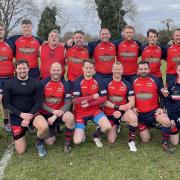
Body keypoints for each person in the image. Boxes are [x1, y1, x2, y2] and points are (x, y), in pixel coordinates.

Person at [3, 59, 49, 157]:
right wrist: (21, 114)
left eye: (24, 68)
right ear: (15, 69)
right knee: (21, 151)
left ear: (28, 69)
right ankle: (24, 129)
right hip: (16, 115)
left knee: (44, 127)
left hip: (32, 113)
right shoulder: (8, 83)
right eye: (19, 68)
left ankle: (39, 143)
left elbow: (39, 102)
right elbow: (6, 103)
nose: (22, 70)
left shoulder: (36, 83)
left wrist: (29, 116)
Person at [131, 61, 174, 154]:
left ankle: (165, 142)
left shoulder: (155, 79)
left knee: (167, 122)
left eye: (145, 69)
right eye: (141, 69)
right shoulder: (133, 80)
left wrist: (161, 107)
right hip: (140, 115)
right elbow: (128, 96)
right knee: (145, 140)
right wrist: (132, 108)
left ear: (149, 70)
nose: (143, 71)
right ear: (137, 70)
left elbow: (162, 95)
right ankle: (143, 125)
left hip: (153, 112)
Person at [72, 59, 112, 147]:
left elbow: (104, 98)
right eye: (86, 67)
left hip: (95, 111)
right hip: (81, 113)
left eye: (91, 68)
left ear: (94, 69)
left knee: (108, 127)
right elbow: (77, 101)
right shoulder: (77, 82)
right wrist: (93, 97)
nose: (88, 70)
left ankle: (95, 135)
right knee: (77, 141)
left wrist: (89, 103)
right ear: (82, 68)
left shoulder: (99, 80)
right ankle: (82, 132)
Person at [103, 62, 138, 152]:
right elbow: (103, 101)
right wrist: (117, 108)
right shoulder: (106, 83)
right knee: (111, 140)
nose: (117, 71)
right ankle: (116, 124)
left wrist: (121, 110)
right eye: (115, 69)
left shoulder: (127, 84)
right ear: (112, 70)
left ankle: (131, 142)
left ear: (122, 71)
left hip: (123, 110)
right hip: (110, 111)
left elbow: (131, 102)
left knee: (133, 118)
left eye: (119, 69)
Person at [40, 62, 74, 154]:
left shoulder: (66, 84)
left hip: (59, 113)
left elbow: (67, 104)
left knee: (70, 117)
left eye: (58, 70)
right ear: (50, 71)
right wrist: (53, 111)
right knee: (50, 142)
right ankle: (54, 127)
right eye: (54, 70)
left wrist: (55, 115)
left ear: (62, 71)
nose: (56, 72)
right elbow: (40, 103)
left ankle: (67, 143)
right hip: (47, 114)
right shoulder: (43, 83)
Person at [0, 22, 15, 132]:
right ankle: (6, 120)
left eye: (1, 29)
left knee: (7, 101)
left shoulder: (10, 44)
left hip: (9, 78)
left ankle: (8, 121)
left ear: (4, 31)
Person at [166, 63, 180, 145]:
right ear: (176, 71)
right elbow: (168, 102)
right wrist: (170, 118)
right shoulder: (171, 84)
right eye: (179, 70)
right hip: (174, 115)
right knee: (175, 143)